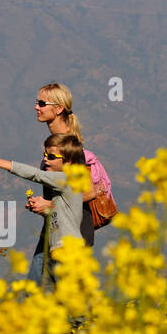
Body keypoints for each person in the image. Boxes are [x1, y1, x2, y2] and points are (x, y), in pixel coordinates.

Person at [0, 133, 85, 291]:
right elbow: (63, 216)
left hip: (68, 252)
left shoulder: (66, 179)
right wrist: (45, 210)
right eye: (45, 155)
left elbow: (37, 175)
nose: (45, 159)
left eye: (51, 156)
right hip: (56, 252)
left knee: (73, 306)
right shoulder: (62, 188)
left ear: (69, 162)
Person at [32, 83, 113, 249]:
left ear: (59, 108)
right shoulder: (56, 144)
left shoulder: (71, 148)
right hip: (55, 232)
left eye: (42, 103)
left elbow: (89, 192)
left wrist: (50, 205)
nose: (36, 107)